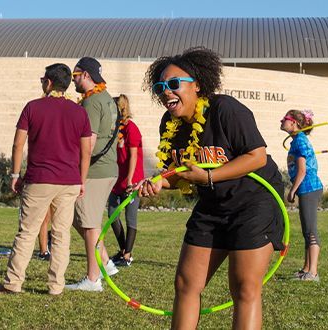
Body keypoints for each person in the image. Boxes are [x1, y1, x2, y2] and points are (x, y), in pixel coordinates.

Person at [138, 47, 285, 330]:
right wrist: (160, 181)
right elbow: (180, 174)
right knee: (186, 282)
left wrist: (208, 176)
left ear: (198, 85)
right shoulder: (170, 124)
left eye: (173, 84)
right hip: (212, 204)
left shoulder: (225, 109)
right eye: (160, 87)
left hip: (253, 201)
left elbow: (257, 157)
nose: (166, 92)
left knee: (243, 287)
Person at [0, 63, 94, 295]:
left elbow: (18, 143)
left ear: (48, 82)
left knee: (27, 232)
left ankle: (13, 282)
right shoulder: (79, 112)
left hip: (40, 180)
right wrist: (82, 180)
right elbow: (86, 151)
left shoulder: (33, 107)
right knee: (61, 234)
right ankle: (56, 286)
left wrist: (15, 174)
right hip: (69, 181)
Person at [65, 57, 121, 291]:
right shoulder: (106, 98)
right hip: (107, 168)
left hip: (95, 171)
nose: (73, 81)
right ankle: (106, 263)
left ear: (85, 75)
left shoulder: (91, 103)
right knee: (81, 220)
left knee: (88, 224)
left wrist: (77, 171)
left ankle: (92, 279)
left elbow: (88, 142)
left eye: (74, 76)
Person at [280, 109, 323, 282]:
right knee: (306, 230)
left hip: (309, 187)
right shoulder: (296, 141)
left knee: (311, 230)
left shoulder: (300, 141)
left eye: (285, 119)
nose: (281, 121)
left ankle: (313, 273)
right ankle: (306, 269)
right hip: (305, 189)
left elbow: (303, 170)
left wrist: (292, 190)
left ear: (294, 123)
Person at [109, 95, 144, 267]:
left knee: (131, 218)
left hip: (132, 180)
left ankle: (127, 255)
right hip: (117, 180)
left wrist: (130, 179)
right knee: (112, 214)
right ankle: (124, 251)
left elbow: (133, 157)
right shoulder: (116, 129)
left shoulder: (132, 128)